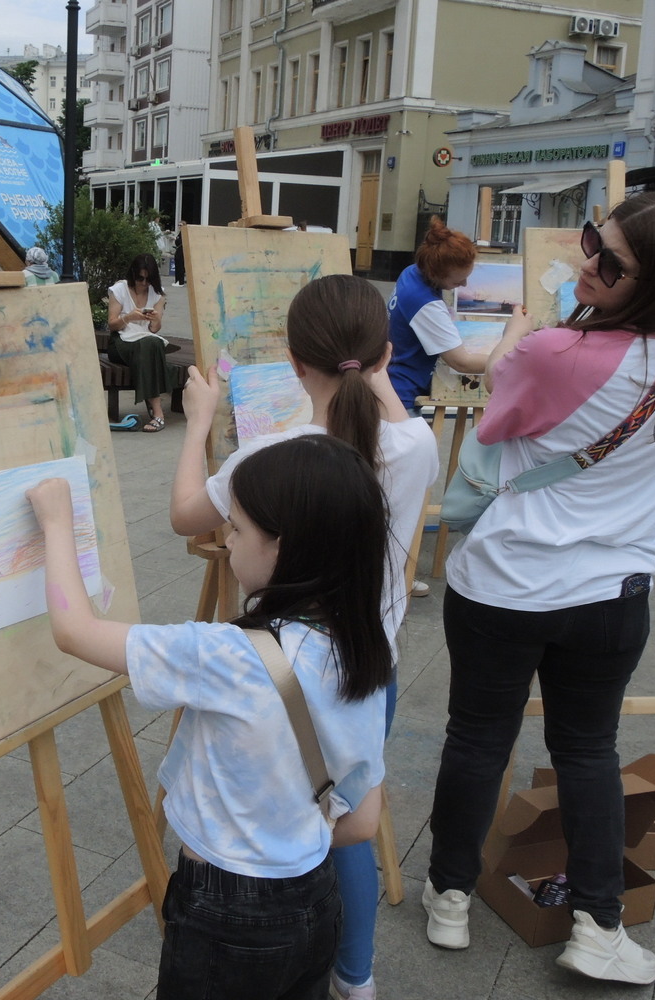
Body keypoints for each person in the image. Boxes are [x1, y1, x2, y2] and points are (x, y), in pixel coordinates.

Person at [421, 192, 655, 986]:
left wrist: (521, 342)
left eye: (611, 262)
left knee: (476, 739)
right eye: (594, 240)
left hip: (503, 585)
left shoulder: (552, 351)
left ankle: (448, 897)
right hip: (610, 596)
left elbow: (494, 426)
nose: (588, 262)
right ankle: (596, 925)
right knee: (587, 750)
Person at [28, 433, 392, 1000]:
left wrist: (56, 522)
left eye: (238, 528)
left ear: (282, 547)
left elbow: (75, 631)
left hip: (226, 911)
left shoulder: (231, 657)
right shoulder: (364, 650)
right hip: (316, 899)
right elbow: (364, 822)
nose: (226, 538)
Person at [170, 274, 440, 1000]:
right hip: (370, 664)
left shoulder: (274, 456)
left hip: (284, 668)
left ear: (293, 363)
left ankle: (265, 926)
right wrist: (376, 372)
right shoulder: (417, 445)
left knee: (292, 811)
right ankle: (355, 974)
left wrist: (199, 422)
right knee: (345, 809)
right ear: (383, 355)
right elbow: (387, 416)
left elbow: (186, 514)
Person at [385, 219, 492, 416]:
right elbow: (462, 362)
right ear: (436, 274)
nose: (464, 284)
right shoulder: (424, 303)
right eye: (458, 281)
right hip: (402, 394)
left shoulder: (412, 272)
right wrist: (512, 361)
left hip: (394, 382)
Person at [107, 253, 171, 431]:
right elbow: (112, 324)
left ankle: (155, 408)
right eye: (140, 278)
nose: (144, 283)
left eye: (148, 279)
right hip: (120, 340)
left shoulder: (157, 294)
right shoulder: (119, 290)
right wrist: (128, 317)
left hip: (144, 341)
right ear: (133, 275)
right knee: (149, 346)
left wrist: (155, 319)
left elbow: (154, 330)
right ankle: (157, 412)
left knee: (153, 344)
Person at [172, 219, 186, 285]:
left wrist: (176, 239)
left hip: (181, 251)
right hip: (178, 251)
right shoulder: (180, 233)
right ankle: (177, 280)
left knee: (180, 267)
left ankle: (180, 281)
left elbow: (180, 242)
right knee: (177, 266)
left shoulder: (184, 233)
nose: (179, 226)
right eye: (178, 225)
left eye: (181, 225)